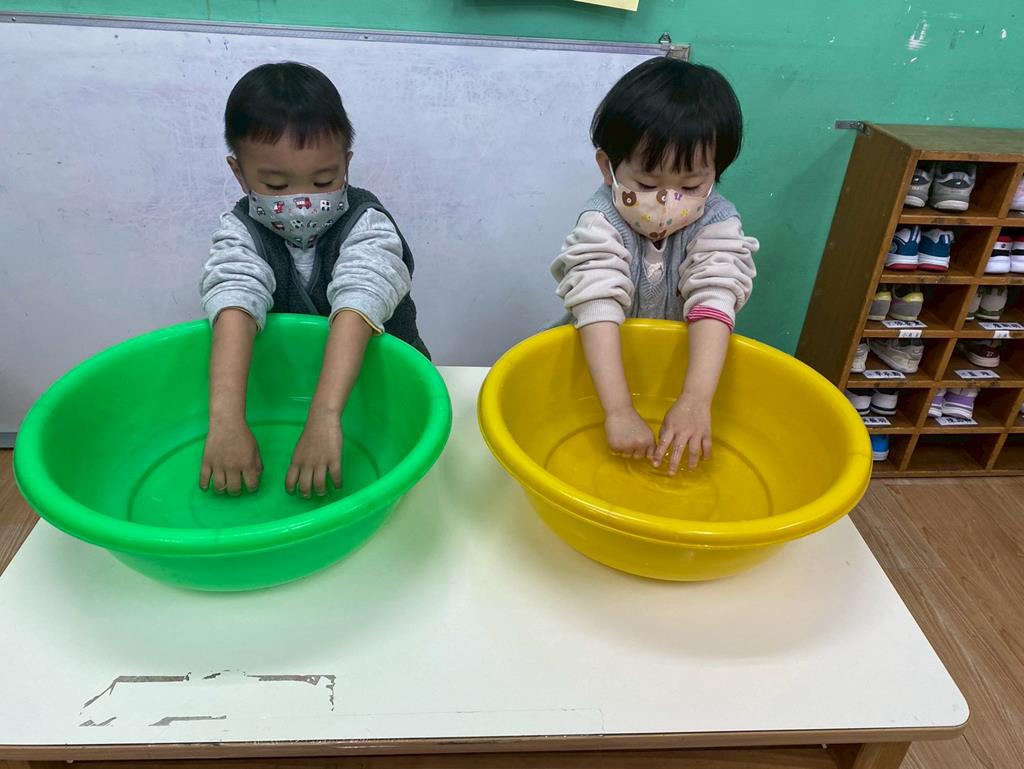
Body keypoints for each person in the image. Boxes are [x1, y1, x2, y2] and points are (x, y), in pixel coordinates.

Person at [199, 61, 427, 498]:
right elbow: (234, 298)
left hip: (376, 391)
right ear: (239, 173)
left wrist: (324, 417)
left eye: (324, 180)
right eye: (275, 185)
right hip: (288, 392)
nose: (302, 201)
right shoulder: (240, 231)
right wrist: (225, 422)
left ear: (346, 163)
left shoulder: (367, 224)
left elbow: (361, 297)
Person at [550, 58, 758, 475]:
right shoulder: (601, 221)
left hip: (679, 370)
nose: (667, 200)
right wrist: (618, 410)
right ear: (608, 167)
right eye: (646, 184)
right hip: (600, 369)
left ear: (715, 173)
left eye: (690, 185)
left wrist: (695, 400)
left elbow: (715, 293)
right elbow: (596, 298)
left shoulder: (717, 221)